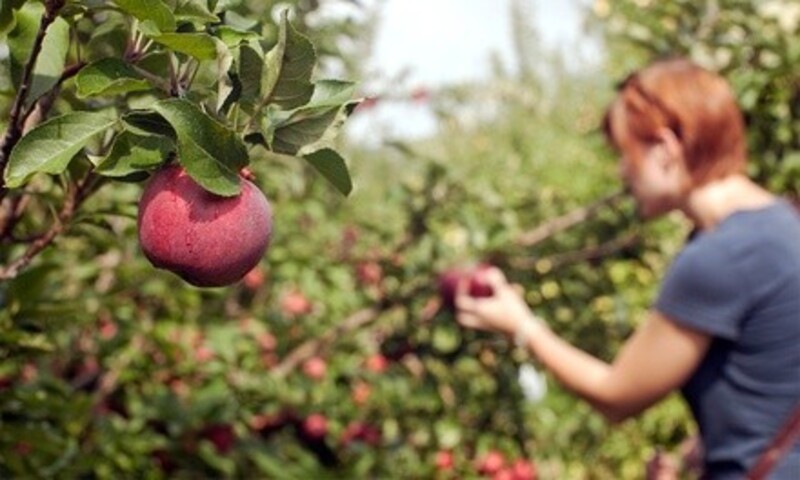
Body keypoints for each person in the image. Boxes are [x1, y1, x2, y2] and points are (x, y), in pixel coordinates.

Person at [454, 57, 800, 479]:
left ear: (666, 148)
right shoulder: (784, 224)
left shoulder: (719, 257)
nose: (622, 171)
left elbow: (616, 396)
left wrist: (522, 327)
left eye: (626, 153)